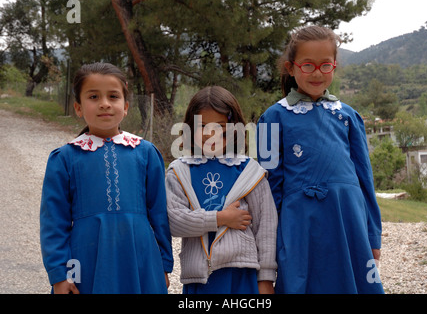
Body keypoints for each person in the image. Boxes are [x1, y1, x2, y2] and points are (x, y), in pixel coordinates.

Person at [257, 26, 384, 294]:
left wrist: (373, 235)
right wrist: (271, 245)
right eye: (308, 65)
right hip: (300, 226)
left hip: (349, 220)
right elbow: (267, 190)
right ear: (291, 68)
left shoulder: (349, 116)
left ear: (334, 66)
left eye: (325, 65)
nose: (317, 72)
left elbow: (365, 179)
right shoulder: (271, 118)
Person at [40, 62, 173, 294]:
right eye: (93, 96)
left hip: (140, 258)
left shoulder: (146, 153)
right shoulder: (64, 158)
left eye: (113, 96)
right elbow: (54, 222)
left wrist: (163, 264)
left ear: (126, 106)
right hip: (85, 260)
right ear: (78, 107)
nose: (104, 104)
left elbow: (160, 214)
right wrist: (61, 274)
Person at [166, 86, 277, 294]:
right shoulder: (180, 172)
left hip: (242, 275)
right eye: (203, 126)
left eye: (220, 127)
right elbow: (175, 221)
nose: (212, 135)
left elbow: (266, 228)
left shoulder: (250, 172)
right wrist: (220, 218)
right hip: (199, 279)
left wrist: (266, 279)